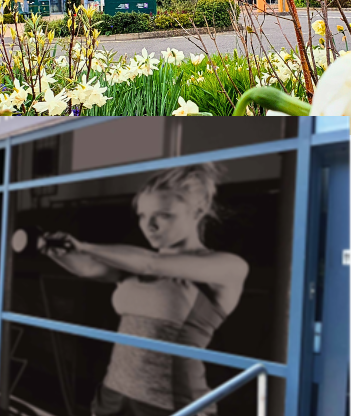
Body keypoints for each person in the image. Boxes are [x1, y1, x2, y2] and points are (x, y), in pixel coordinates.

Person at [41, 163, 245, 416]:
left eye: (164, 215)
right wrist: (56, 252)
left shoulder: (228, 266)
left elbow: (152, 264)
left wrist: (85, 246)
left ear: (198, 211)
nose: (150, 226)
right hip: (113, 397)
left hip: (173, 406)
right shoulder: (132, 264)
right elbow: (88, 269)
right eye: (142, 216)